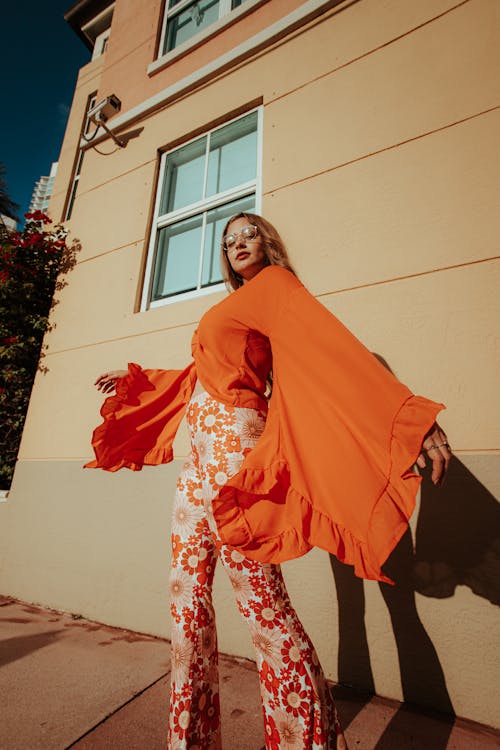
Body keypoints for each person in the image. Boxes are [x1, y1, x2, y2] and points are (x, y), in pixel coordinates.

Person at [88, 213, 451, 750]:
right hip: (196, 467)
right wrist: (138, 379)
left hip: (237, 458)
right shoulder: (230, 308)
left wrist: (415, 423)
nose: (237, 244)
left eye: (248, 233)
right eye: (228, 240)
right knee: (186, 604)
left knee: (265, 610)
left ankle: (307, 744)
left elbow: (337, 353)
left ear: (268, 242)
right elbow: (203, 376)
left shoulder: (277, 288)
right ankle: (190, 744)